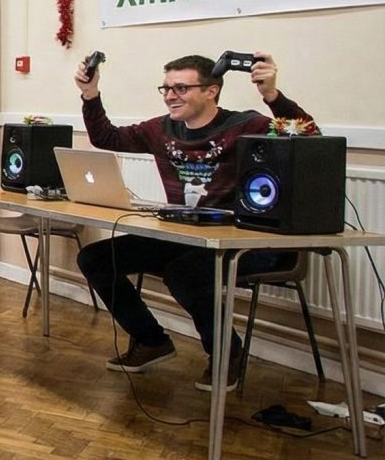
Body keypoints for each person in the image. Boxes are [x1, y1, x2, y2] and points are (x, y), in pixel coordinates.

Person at [74, 51, 314, 391]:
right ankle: (151, 341)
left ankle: (227, 354)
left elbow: (307, 138)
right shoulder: (160, 129)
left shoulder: (245, 125)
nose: (172, 96)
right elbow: (106, 138)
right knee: (95, 259)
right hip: (183, 235)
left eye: (182, 88)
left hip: (242, 240)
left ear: (211, 91)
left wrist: (271, 96)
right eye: (167, 88)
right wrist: (90, 93)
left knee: (185, 274)